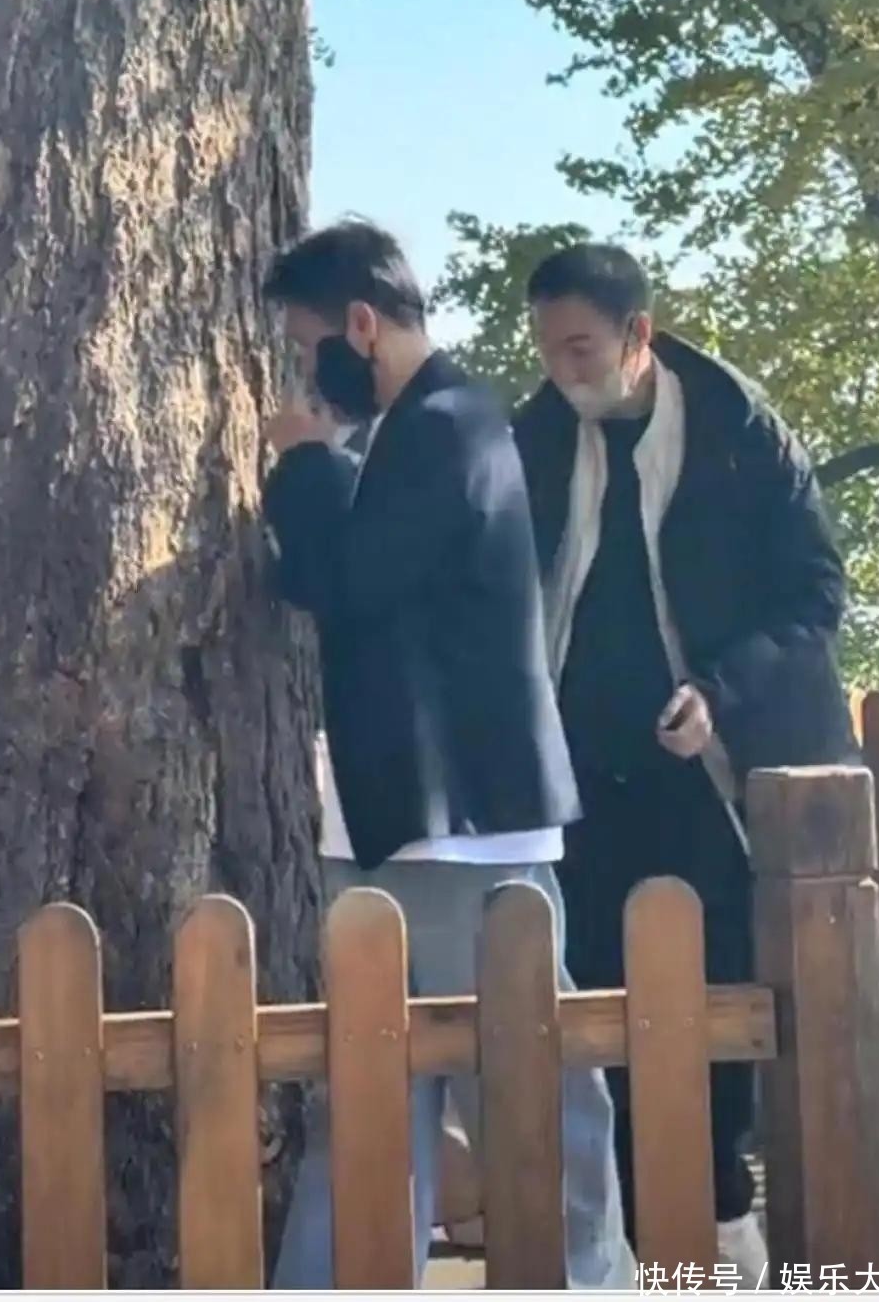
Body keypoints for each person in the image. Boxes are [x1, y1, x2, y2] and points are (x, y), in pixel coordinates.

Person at [261, 220, 635, 1290]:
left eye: (309, 343)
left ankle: (586, 1279)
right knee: (373, 1087)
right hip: (396, 817)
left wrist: (302, 462)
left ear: (361, 325)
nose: (307, 369)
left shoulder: (453, 422)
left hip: (458, 819)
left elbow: (352, 578)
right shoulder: (407, 431)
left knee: (524, 1083)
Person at [512, 243, 856, 1286]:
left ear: (639, 336)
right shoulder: (535, 436)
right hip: (579, 775)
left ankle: (723, 1224)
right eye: (547, 350)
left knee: (716, 998)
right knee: (593, 1001)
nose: (563, 370)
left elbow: (816, 597)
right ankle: (626, 1247)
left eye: (580, 347)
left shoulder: (739, 433)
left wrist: (718, 693)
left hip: (712, 772)